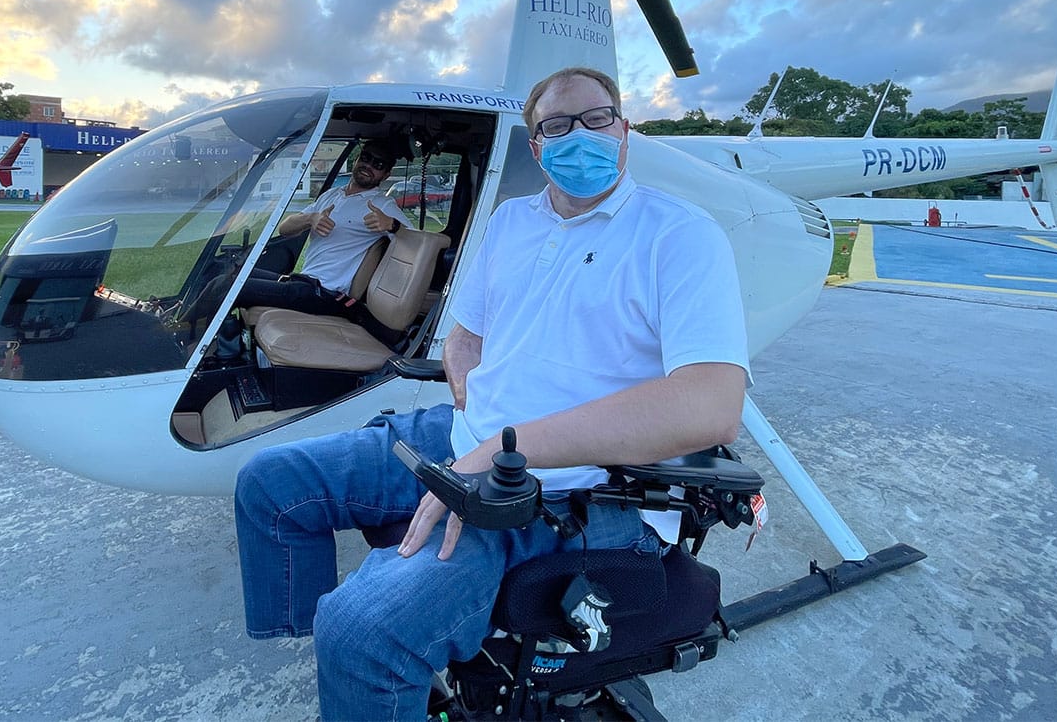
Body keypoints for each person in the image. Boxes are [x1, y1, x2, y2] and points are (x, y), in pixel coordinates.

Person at [234, 66, 750, 720]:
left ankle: (368, 657)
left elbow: (712, 406)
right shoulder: (512, 222)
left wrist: (511, 449)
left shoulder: (679, 235)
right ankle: (364, 676)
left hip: (571, 488)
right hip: (467, 439)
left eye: (596, 118)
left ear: (623, 129)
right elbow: (465, 335)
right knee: (271, 484)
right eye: (556, 125)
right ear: (536, 146)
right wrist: (468, 387)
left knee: (361, 629)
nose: (579, 134)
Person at [227, 139, 412, 344]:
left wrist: (392, 225)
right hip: (305, 282)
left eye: (379, 164)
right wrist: (310, 218)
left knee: (229, 286)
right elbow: (285, 228)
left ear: (386, 175)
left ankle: (188, 338)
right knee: (230, 271)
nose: (369, 165)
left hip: (327, 295)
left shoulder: (382, 204)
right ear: (357, 159)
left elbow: (420, 243)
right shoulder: (331, 195)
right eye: (366, 157)